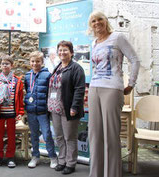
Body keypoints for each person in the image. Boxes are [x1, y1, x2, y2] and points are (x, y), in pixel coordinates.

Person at [87, 11, 140, 177]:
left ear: (106, 20)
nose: (97, 23)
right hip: (95, 88)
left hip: (112, 88)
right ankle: (95, 173)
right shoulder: (94, 43)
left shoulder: (117, 37)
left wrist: (130, 84)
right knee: (94, 135)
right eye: (93, 21)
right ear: (91, 25)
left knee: (110, 135)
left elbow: (135, 60)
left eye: (100, 19)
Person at [48, 41, 85, 175]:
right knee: (59, 136)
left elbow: (79, 89)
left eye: (65, 50)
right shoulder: (57, 67)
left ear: (71, 52)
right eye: (60, 50)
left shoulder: (76, 68)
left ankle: (70, 163)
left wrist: (74, 107)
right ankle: (62, 160)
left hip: (69, 109)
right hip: (55, 108)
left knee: (70, 137)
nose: (62, 52)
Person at [0, 54, 24, 168]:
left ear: (12, 65)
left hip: (11, 113)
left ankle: (10, 157)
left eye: (7, 63)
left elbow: (20, 98)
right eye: (3, 63)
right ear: (0, 65)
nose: (5, 65)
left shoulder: (17, 81)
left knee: (11, 136)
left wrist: (20, 113)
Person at [24, 51, 58, 169]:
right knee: (33, 135)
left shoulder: (47, 75)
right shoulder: (27, 76)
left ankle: (53, 157)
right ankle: (35, 157)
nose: (35, 63)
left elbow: (50, 91)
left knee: (47, 134)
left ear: (42, 62)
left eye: (37, 61)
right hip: (31, 111)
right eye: (33, 61)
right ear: (30, 62)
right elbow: (28, 90)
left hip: (43, 111)